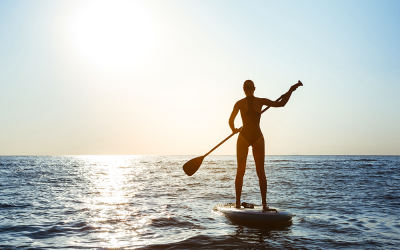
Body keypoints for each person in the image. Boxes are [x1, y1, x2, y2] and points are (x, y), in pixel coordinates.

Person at [229, 80, 302, 210]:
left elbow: (230, 121)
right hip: (257, 137)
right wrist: (291, 90)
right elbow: (282, 104)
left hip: (244, 137)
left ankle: (238, 204)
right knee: (260, 171)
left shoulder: (239, 103)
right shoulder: (260, 101)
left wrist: (234, 129)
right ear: (254, 89)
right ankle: (264, 205)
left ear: (244, 89)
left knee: (240, 171)